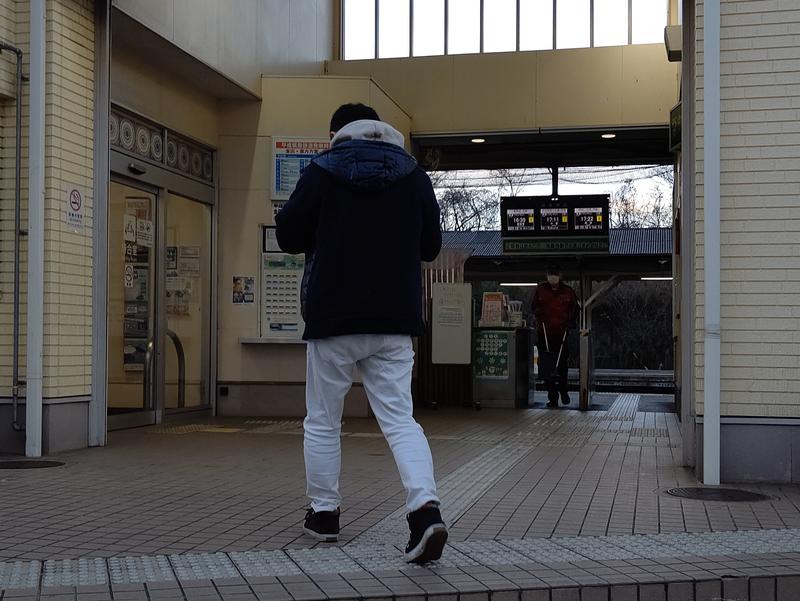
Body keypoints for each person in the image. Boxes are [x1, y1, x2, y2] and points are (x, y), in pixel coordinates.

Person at [275, 103, 447, 564]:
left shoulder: (321, 171)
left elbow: (287, 235)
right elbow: (431, 246)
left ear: (336, 134)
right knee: (400, 420)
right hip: (394, 320)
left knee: (323, 419)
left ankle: (324, 515)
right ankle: (425, 512)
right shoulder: (414, 177)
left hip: (332, 316)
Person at [532, 263, 578, 407]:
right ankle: (552, 396)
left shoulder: (568, 291)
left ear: (560, 275)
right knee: (546, 365)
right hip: (544, 333)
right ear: (547, 275)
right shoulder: (540, 290)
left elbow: (575, 309)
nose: (553, 277)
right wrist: (537, 313)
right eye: (550, 274)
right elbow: (533, 306)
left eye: (555, 274)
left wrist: (571, 322)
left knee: (562, 364)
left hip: (561, 333)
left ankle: (563, 391)